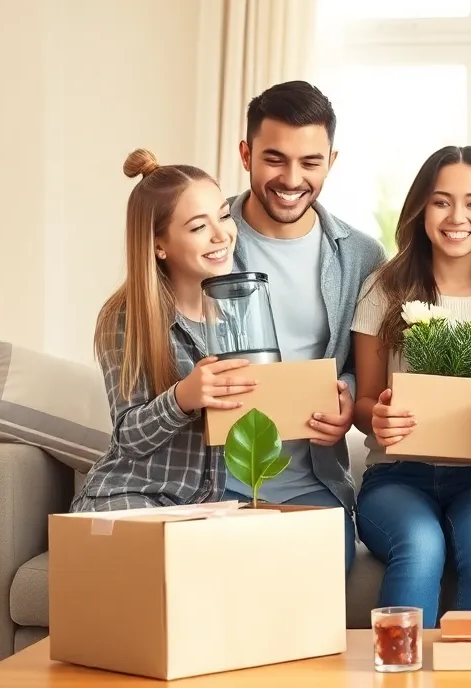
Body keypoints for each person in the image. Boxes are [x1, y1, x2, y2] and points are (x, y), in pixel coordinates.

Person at [350, 145, 471, 628]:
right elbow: (364, 402)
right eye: (441, 201)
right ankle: (400, 676)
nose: (457, 217)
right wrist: (378, 415)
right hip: (397, 476)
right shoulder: (382, 290)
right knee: (421, 544)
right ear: (421, 209)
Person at [220, 80, 387, 573]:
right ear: (246, 153)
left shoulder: (361, 255)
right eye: (275, 159)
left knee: (311, 615)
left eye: (310, 162)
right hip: (213, 480)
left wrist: (348, 395)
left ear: (331, 161)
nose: (292, 178)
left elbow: (365, 369)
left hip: (313, 482)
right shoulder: (206, 240)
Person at [72, 149, 255, 512]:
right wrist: (183, 397)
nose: (222, 235)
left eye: (223, 216)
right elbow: (128, 437)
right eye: (200, 227)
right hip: (128, 498)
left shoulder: (234, 315)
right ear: (159, 246)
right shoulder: (126, 317)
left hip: (199, 506)